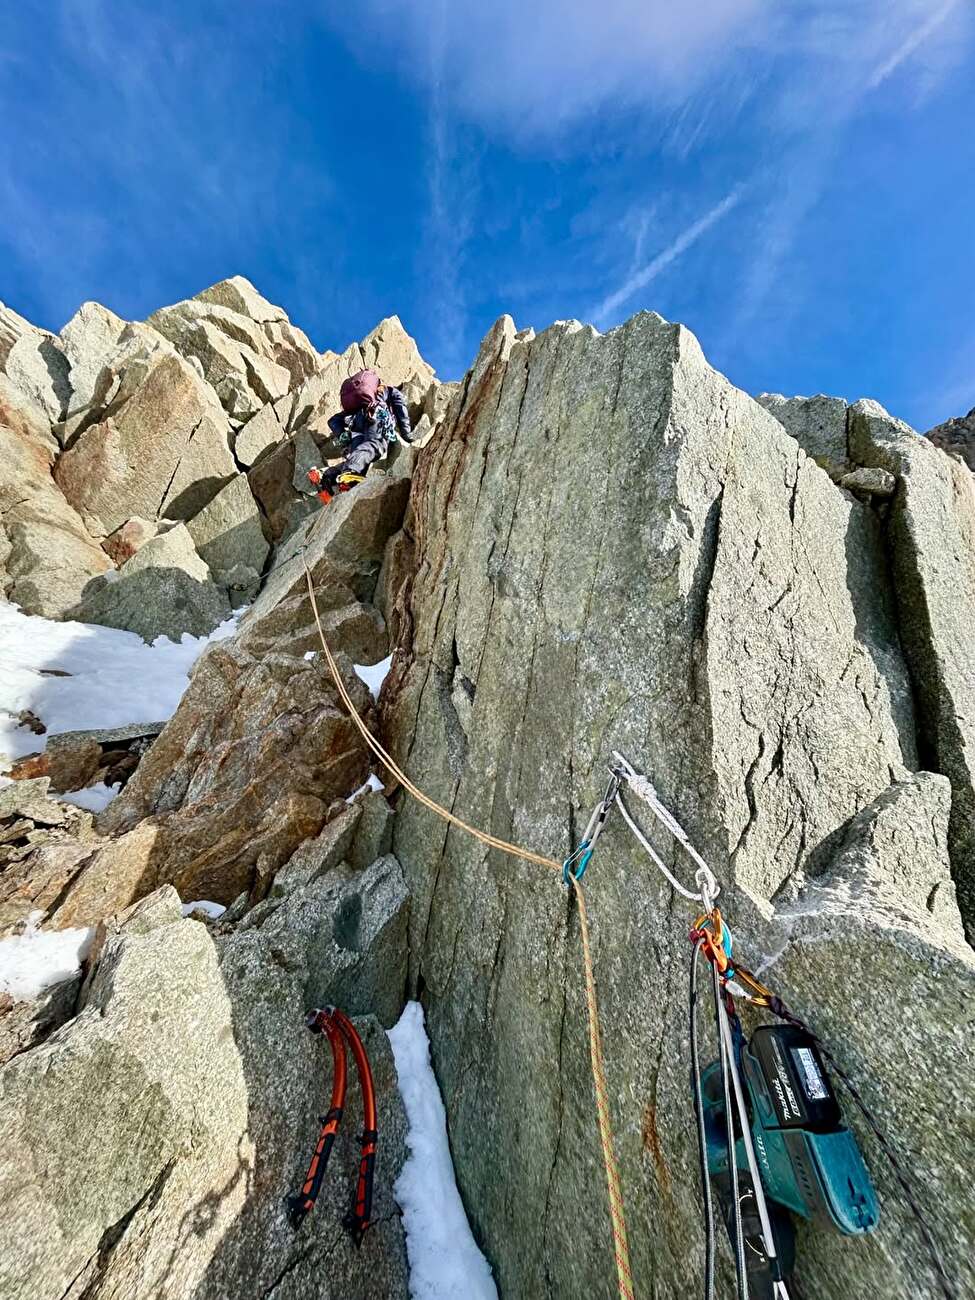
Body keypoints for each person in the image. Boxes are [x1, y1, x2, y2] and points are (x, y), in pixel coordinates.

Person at [308, 369, 414, 499]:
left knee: (358, 462)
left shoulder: (354, 405)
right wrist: (407, 434)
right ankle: (349, 473)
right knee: (374, 445)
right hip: (375, 415)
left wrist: (342, 435)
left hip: (355, 426)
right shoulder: (387, 390)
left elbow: (333, 421)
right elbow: (400, 406)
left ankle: (326, 476)